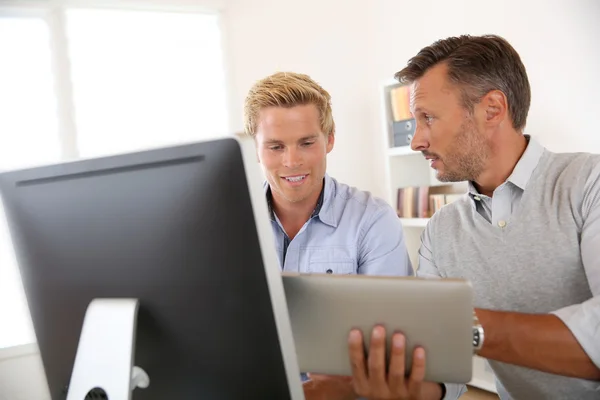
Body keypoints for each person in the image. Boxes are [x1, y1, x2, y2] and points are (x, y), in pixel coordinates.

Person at [346, 34, 600, 400]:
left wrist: (461, 326)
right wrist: (404, 384)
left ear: (493, 109)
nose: (415, 141)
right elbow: (441, 372)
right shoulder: (442, 228)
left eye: (428, 118)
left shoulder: (588, 182)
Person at [243, 71, 413, 398]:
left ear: (329, 139)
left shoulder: (373, 221)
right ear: (256, 148)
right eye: (276, 147)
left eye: (306, 143)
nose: (292, 161)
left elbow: (389, 344)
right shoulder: (232, 223)